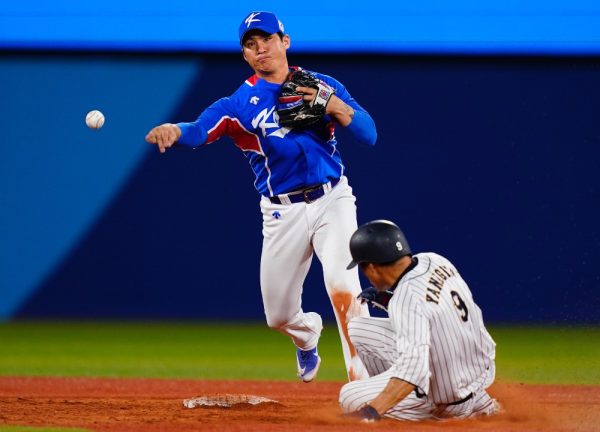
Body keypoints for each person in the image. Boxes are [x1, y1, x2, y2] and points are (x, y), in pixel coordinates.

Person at [144, 11, 376, 382]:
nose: (260, 48)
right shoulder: (239, 104)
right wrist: (174, 128)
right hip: (281, 212)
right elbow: (200, 129)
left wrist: (335, 107)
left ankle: (363, 386)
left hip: (333, 200)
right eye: (251, 45)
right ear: (246, 56)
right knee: (279, 316)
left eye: (266, 39)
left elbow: (370, 134)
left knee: (344, 286)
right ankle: (306, 336)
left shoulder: (322, 84)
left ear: (285, 42)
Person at [339, 220, 500, 421]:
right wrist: (388, 299)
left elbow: (414, 369)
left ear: (371, 268)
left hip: (450, 399)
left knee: (349, 396)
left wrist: (372, 411)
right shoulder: (434, 260)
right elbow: (433, 307)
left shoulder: (406, 300)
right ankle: (479, 401)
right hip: (475, 369)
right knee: (358, 328)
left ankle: (428, 408)